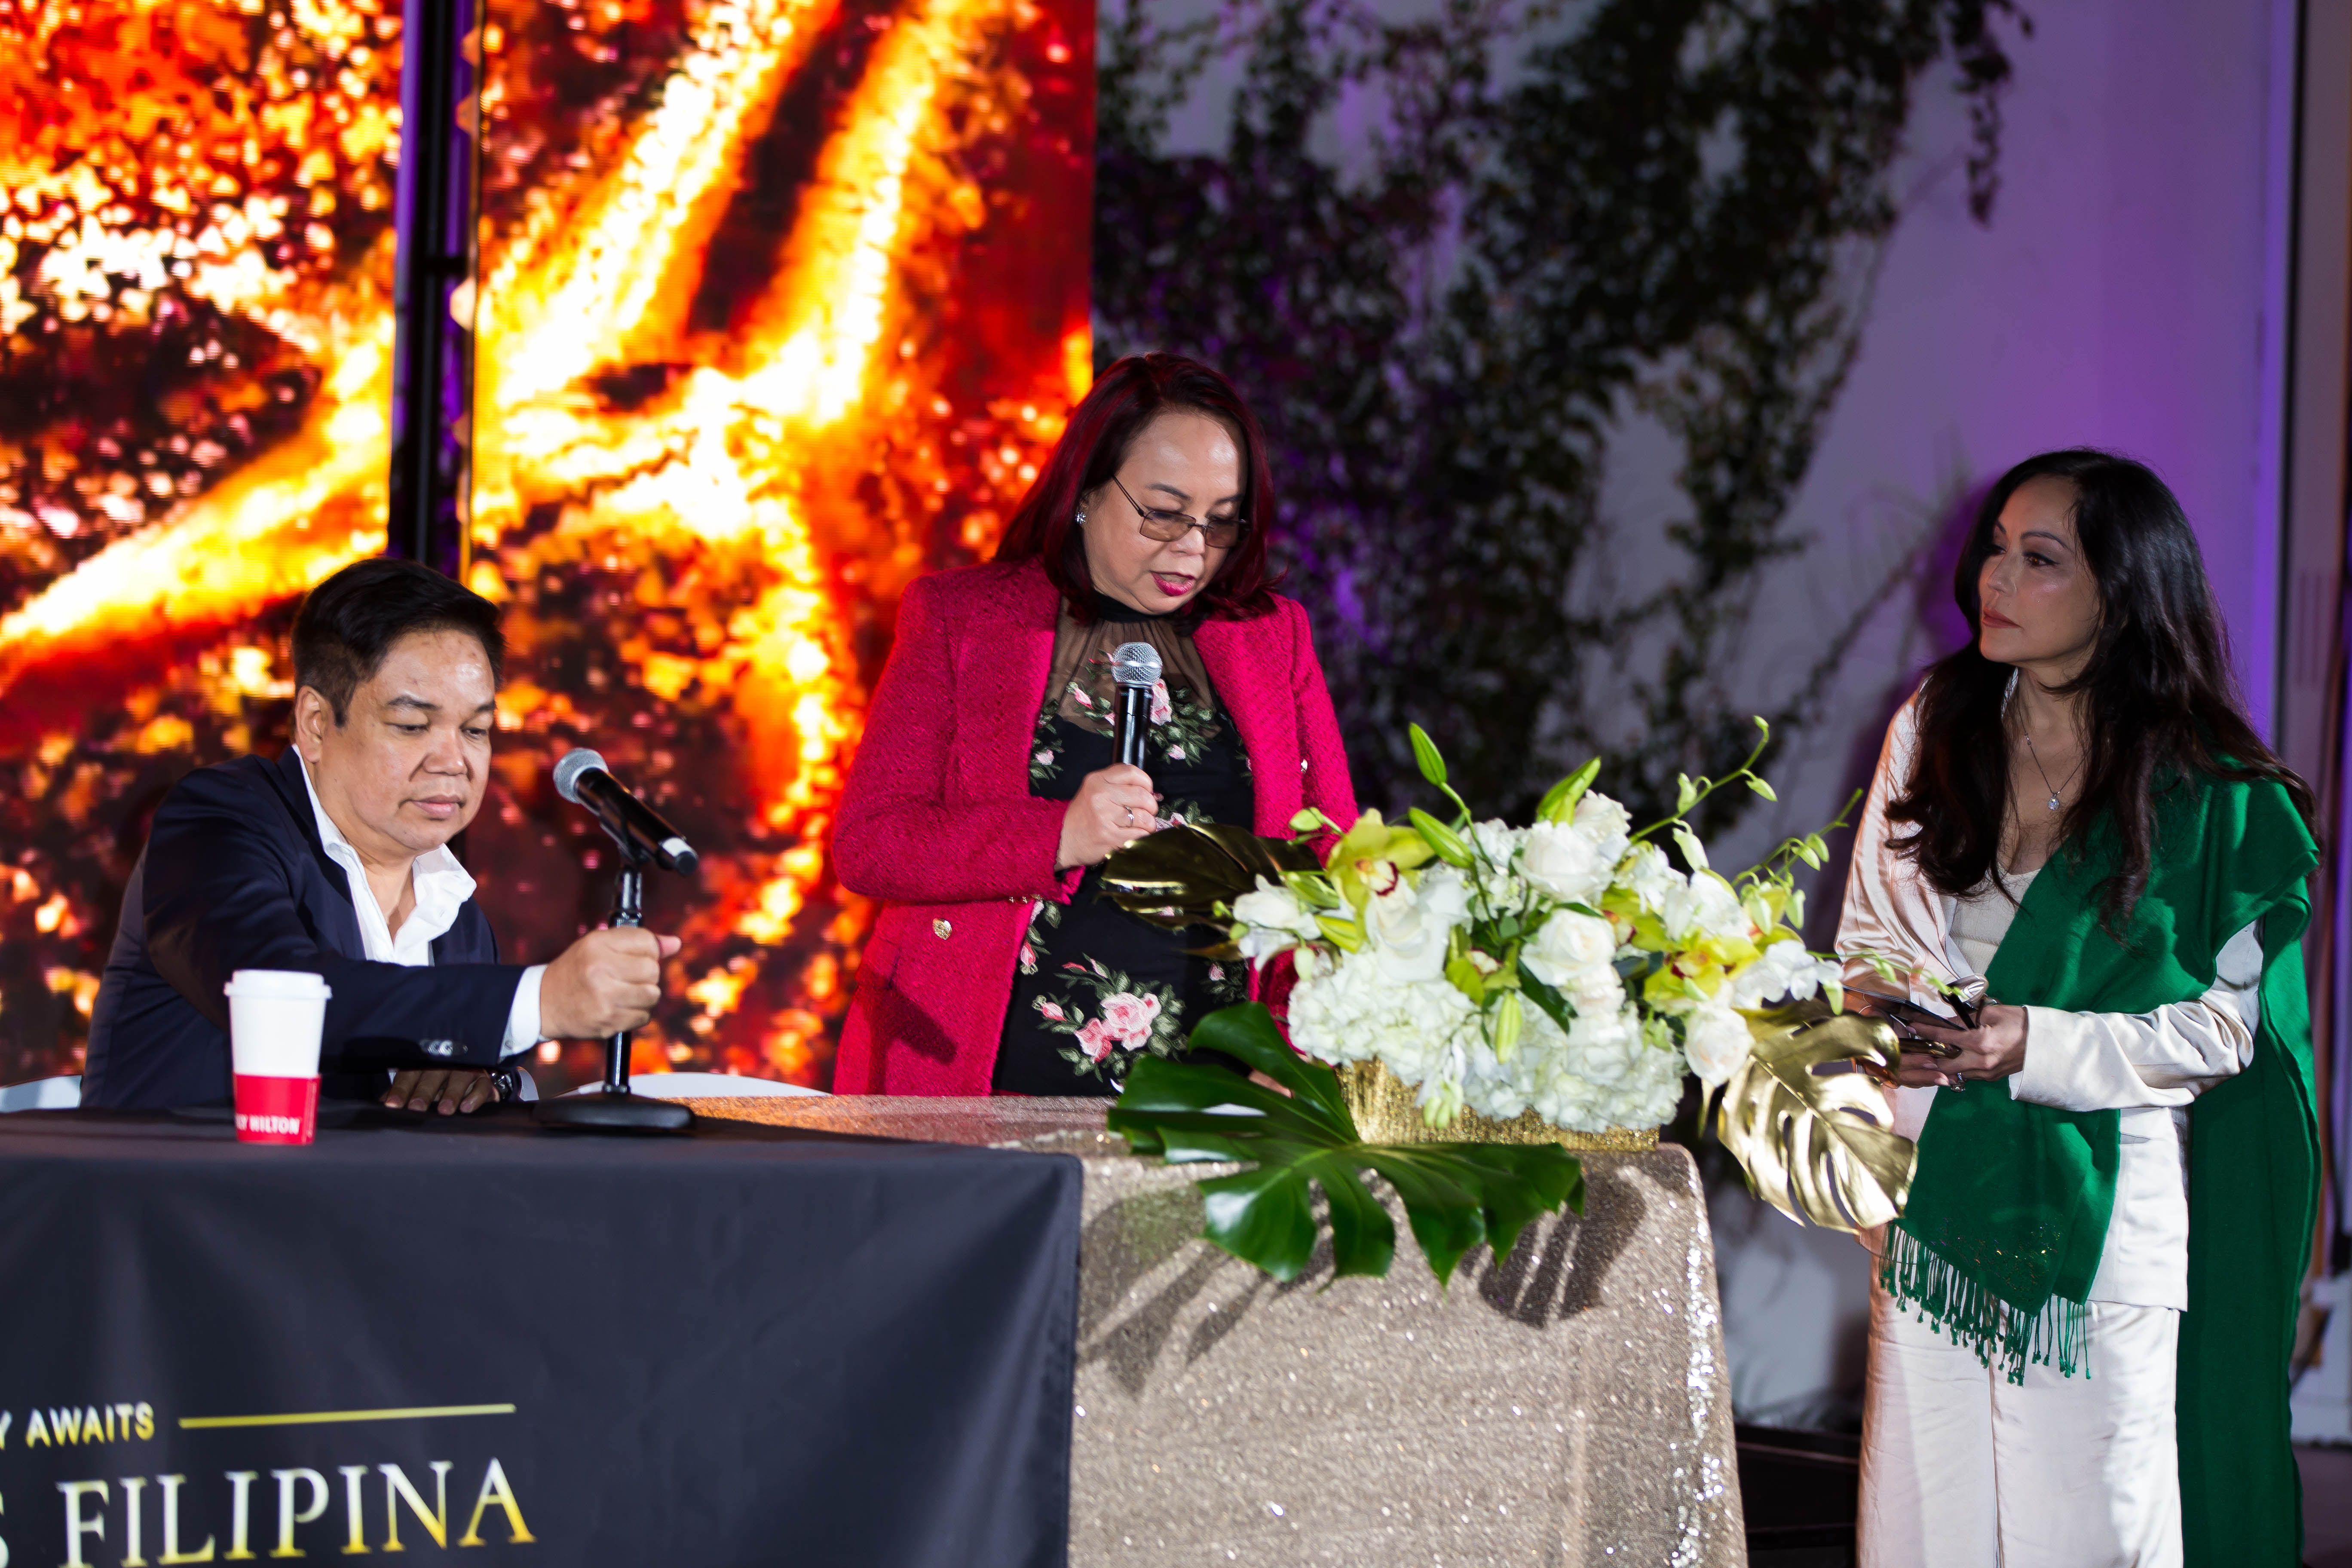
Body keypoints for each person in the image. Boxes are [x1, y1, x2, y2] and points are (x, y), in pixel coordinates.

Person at [1835, 449, 2319, 1568]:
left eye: (2041, 559)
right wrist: (1886, 1015)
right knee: (1923, 1532)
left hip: (2105, 1218)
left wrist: (2033, 1044)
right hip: (1934, 1194)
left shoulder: (2207, 790)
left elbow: (2220, 1034)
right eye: (1998, 549)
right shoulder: (1937, 720)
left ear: (2123, 591)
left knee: (2088, 1534)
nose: (1998, 579)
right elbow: (1871, 938)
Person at [831, 352, 1357, 1096]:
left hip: (1216, 1087)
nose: (1193, 548)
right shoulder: (962, 618)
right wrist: (1058, 836)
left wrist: (1292, 1041)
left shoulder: (1272, 636)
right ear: (1085, 490)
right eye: (1163, 513)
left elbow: (1333, 856)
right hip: (991, 1081)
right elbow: (871, 844)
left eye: (1220, 521)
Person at [86, 558, 680, 1113]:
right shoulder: (221, 821)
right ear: (316, 725)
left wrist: (484, 1080)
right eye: (412, 725)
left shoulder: (456, 914)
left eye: (475, 730)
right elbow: (279, 994)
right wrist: (541, 1000)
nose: (453, 761)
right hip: (187, 1189)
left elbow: (445, 1062)